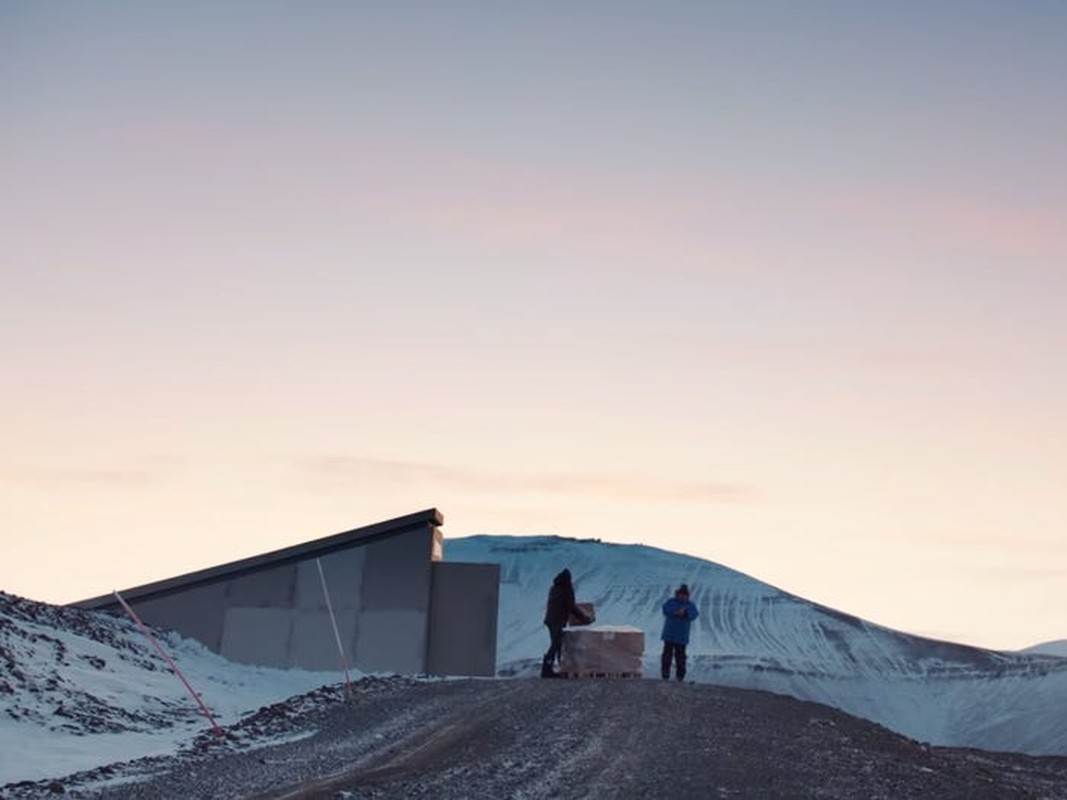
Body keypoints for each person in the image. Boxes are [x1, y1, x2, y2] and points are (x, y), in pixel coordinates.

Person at [542, 568, 591, 678]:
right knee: (555, 644)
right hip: (558, 620)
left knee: (557, 644)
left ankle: (558, 668)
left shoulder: (554, 588)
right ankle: (547, 669)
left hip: (550, 620)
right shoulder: (566, 589)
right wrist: (584, 618)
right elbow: (571, 606)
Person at [661, 583, 698, 681]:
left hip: (681, 636)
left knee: (680, 657)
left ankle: (680, 676)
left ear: (687, 595)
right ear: (677, 594)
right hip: (669, 634)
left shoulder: (690, 605)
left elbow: (694, 614)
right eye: (681, 594)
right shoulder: (671, 602)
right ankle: (665, 674)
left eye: (685, 595)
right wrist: (675, 612)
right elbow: (665, 609)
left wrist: (685, 613)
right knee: (667, 655)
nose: (683, 596)